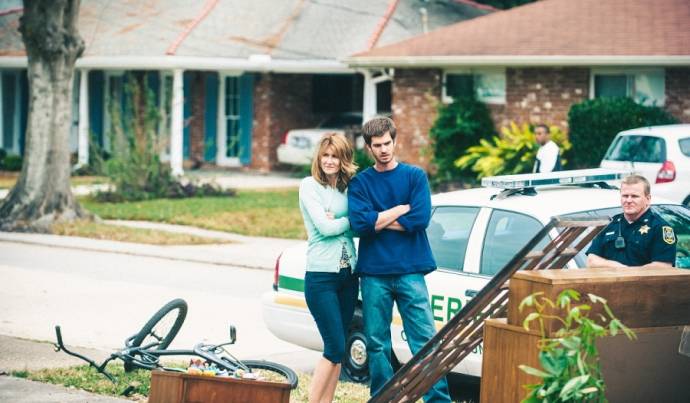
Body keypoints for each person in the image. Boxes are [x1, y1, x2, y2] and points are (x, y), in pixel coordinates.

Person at [347, 117, 451, 402]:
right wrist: (398, 210)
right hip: (373, 273)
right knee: (377, 343)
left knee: (426, 340)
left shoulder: (414, 176)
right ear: (368, 148)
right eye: (377, 145)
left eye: (387, 143)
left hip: (410, 270)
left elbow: (419, 219)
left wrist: (379, 218)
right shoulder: (360, 183)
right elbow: (360, 223)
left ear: (395, 141)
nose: (384, 150)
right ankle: (382, 397)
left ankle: (438, 398)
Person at [298, 133, 359, 403]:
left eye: (335, 156)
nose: (330, 161)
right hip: (321, 276)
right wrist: (349, 220)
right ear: (318, 158)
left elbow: (362, 220)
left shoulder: (349, 189)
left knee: (339, 348)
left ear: (344, 158)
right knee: (333, 346)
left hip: (348, 275)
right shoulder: (309, 186)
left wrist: (342, 218)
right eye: (325, 155)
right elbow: (324, 228)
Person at [587, 174, 677, 268]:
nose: (628, 200)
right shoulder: (609, 224)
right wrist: (617, 268)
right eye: (625, 196)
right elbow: (591, 261)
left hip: (644, 283)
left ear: (648, 199)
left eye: (634, 196)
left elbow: (663, 266)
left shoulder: (659, 228)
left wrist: (630, 274)